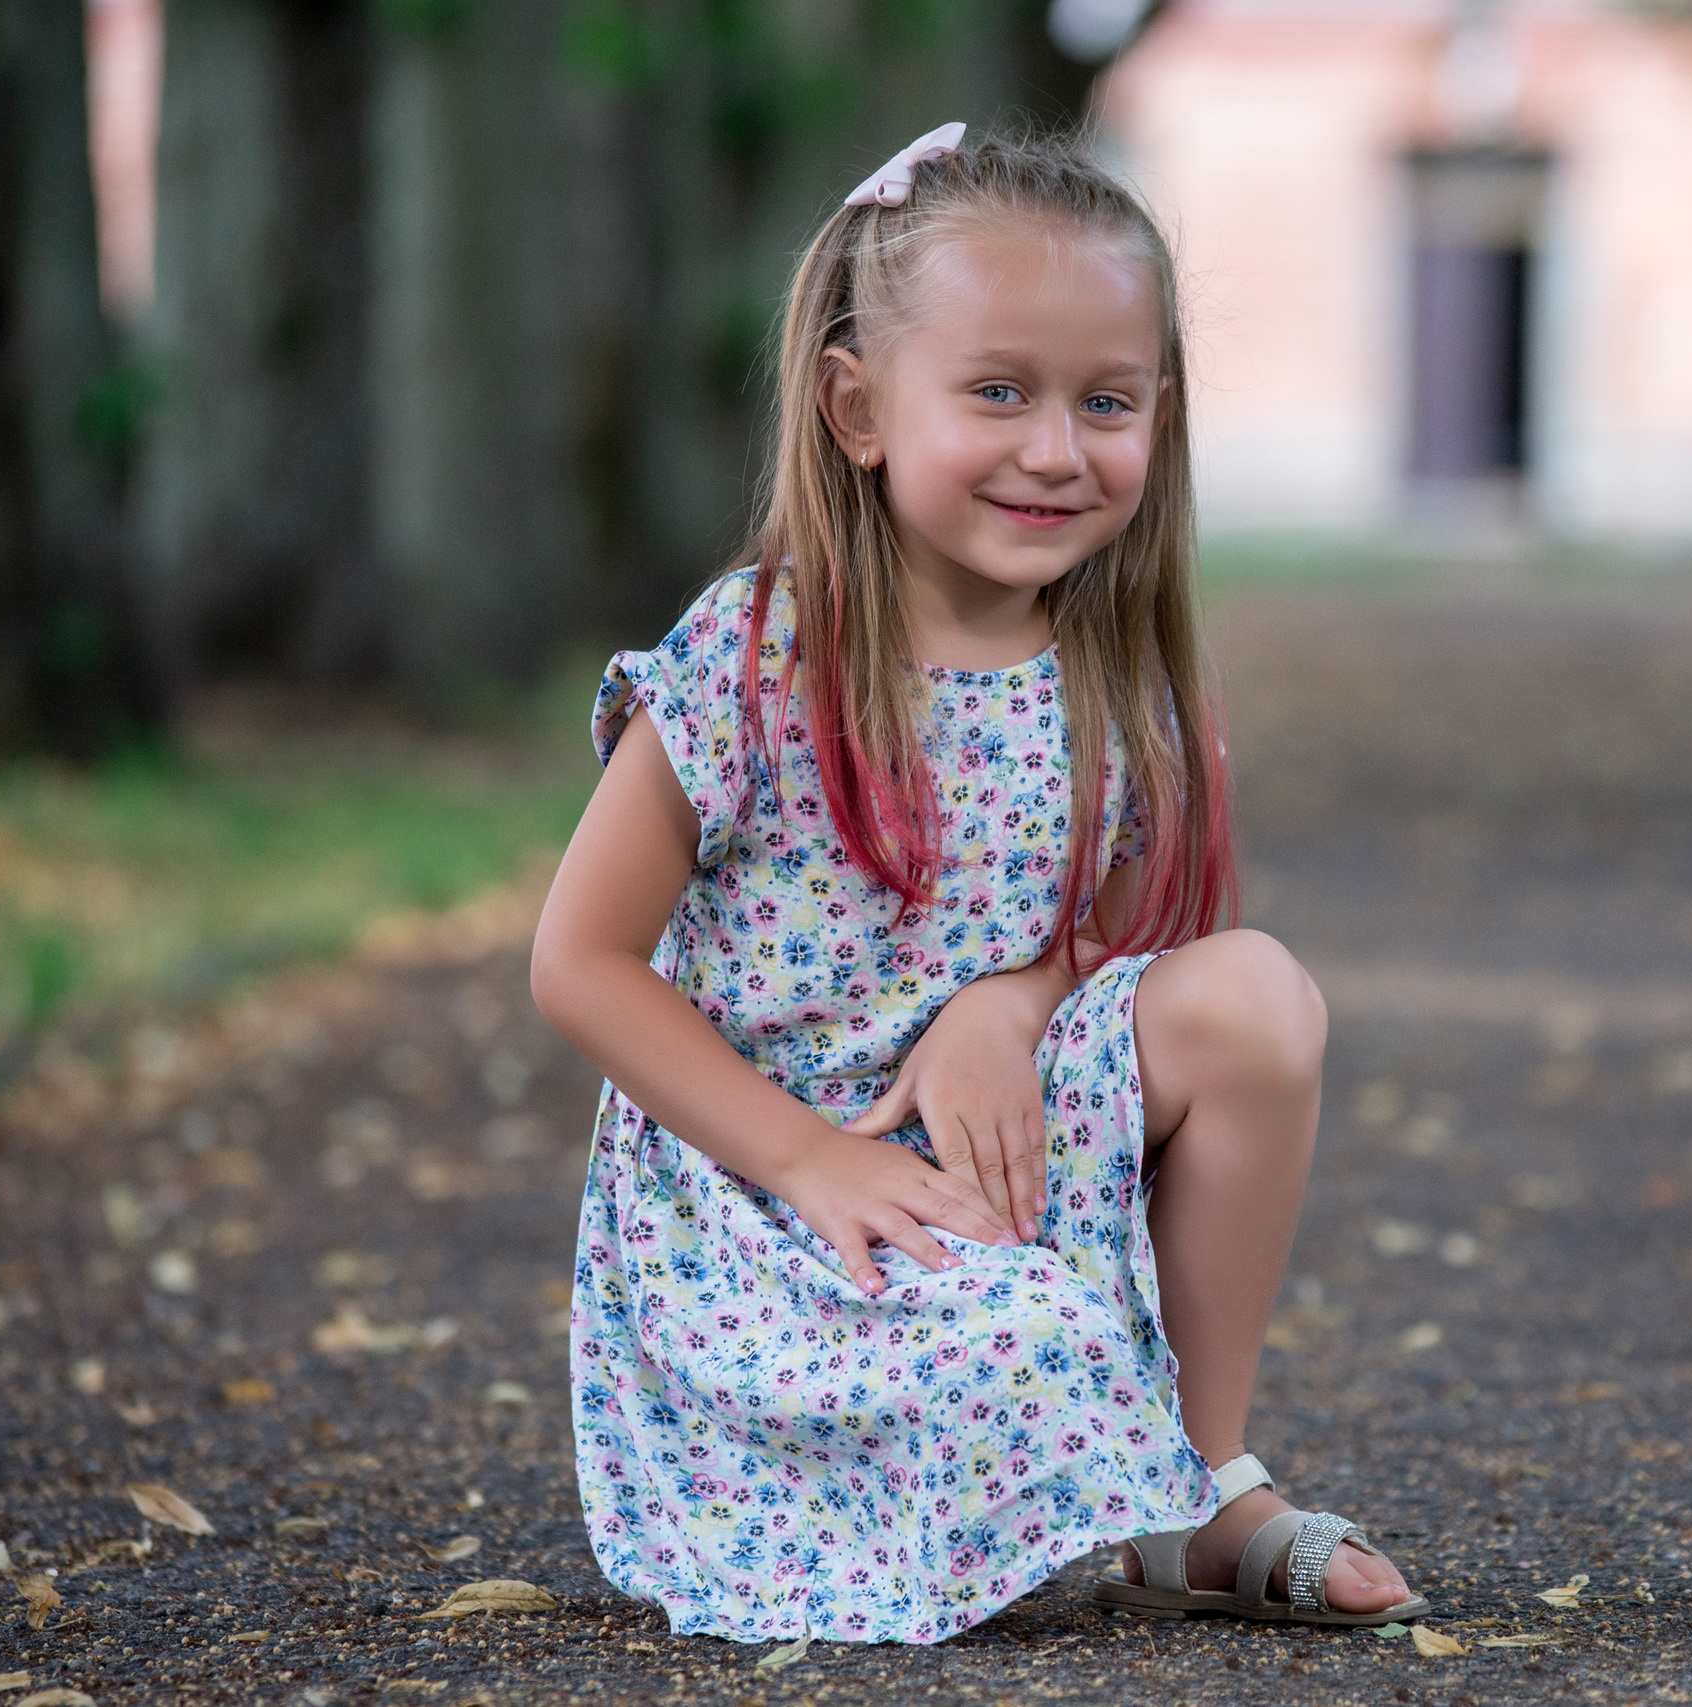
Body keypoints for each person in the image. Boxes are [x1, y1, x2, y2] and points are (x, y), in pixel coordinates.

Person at [529, 125, 1425, 1647]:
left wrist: (1007, 1005)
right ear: (860, 407)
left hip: (999, 1152)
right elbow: (581, 961)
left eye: (1108, 401)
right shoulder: (763, 654)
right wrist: (814, 1158)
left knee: (1258, 997)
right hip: (768, 1204)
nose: (1057, 449)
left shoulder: (1119, 687)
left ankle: (1197, 1492)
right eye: (999, 391)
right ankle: (1082, 1452)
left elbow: (1140, 952)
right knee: (1028, 1351)